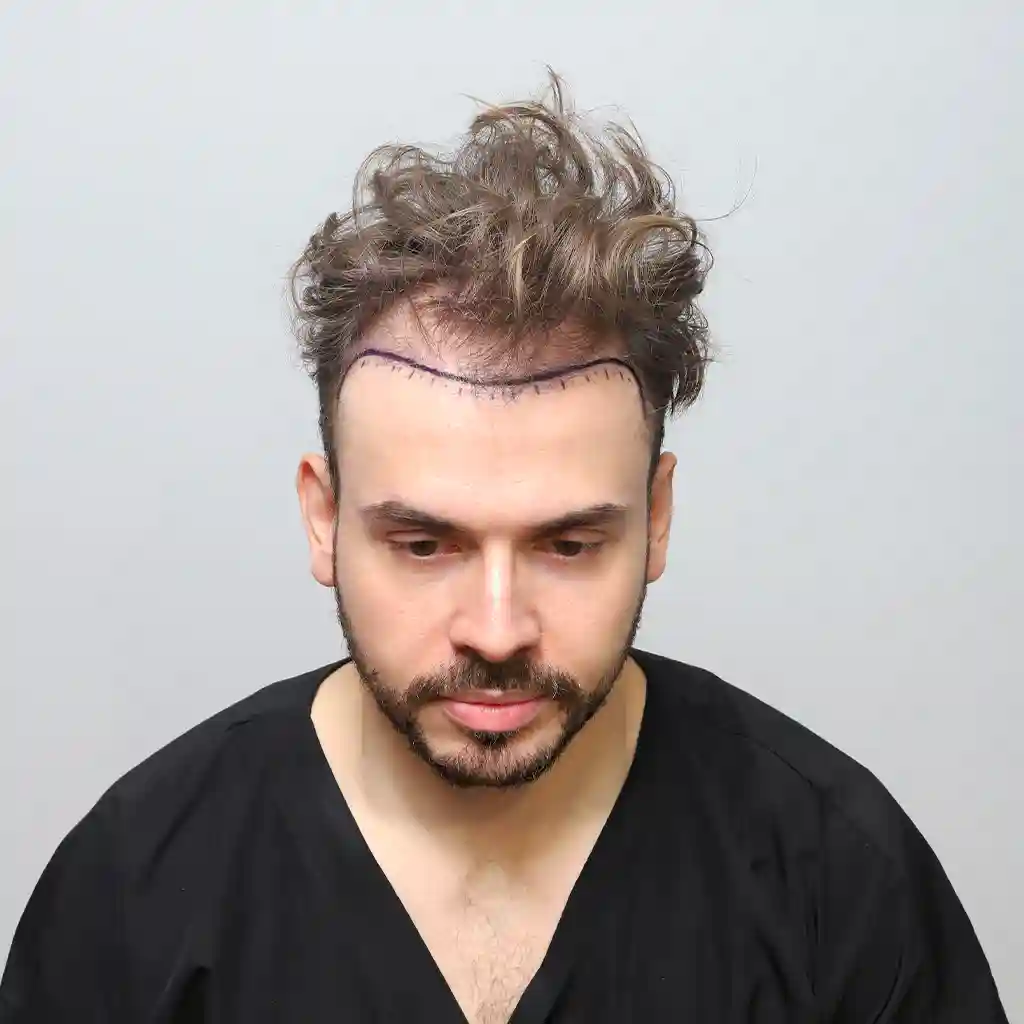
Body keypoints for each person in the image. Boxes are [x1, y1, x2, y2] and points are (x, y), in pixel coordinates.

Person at [0, 75, 1008, 1024]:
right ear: (323, 518)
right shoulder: (131, 894)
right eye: (423, 543)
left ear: (656, 518)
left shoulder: (837, 879)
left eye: (567, 544)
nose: (495, 630)